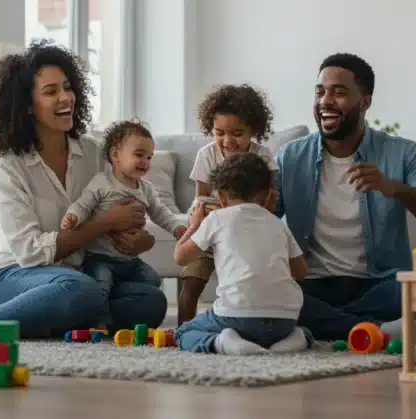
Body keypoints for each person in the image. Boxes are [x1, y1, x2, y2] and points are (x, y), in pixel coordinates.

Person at [0, 40, 167, 343]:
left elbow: (131, 218)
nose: (66, 98)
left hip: (82, 273)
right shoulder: (8, 166)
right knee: (79, 290)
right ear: (27, 106)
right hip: (14, 275)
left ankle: (41, 324)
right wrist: (103, 224)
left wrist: (136, 239)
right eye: (51, 92)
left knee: (150, 300)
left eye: (68, 87)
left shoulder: (95, 153)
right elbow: (30, 252)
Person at [273, 53, 416, 341]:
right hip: (310, 283)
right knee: (273, 294)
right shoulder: (290, 156)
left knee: (411, 289)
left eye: (339, 92)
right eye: (320, 91)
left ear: (365, 101)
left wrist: (395, 188)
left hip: (379, 285)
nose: (325, 101)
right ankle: (368, 330)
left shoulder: (401, 153)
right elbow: (262, 212)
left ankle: (328, 325)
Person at [173, 153, 310, 354]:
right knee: (305, 331)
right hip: (286, 319)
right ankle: (295, 340)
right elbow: (301, 271)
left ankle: (222, 342)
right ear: (268, 196)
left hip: (236, 317)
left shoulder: (217, 219)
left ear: (219, 196)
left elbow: (180, 257)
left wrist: (195, 225)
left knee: (184, 332)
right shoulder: (278, 224)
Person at [61, 119, 187, 328]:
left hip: (129, 260)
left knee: (153, 279)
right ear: (115, 155)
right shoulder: (103, 183)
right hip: (100, 257)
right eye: (139, 155)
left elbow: (160, 212)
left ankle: (120, 296)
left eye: (149, 157)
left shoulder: (145, 189)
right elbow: (83, 204)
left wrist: (176, 227)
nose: (145, 162)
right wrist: (73, 216)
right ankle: (99, 321)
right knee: (100, 286)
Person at [178, 83, 279, 325]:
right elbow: (201, 199)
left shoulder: (262, 156)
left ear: (253, 129)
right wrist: (208, 219)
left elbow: (271, 200)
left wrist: (239, 216)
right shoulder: (207, 155)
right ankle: (183, 329)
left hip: (247, 235)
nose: (227, 140)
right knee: (191, 283)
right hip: (210, 232)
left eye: (237, 133)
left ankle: (253, 323)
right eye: (219, 132)